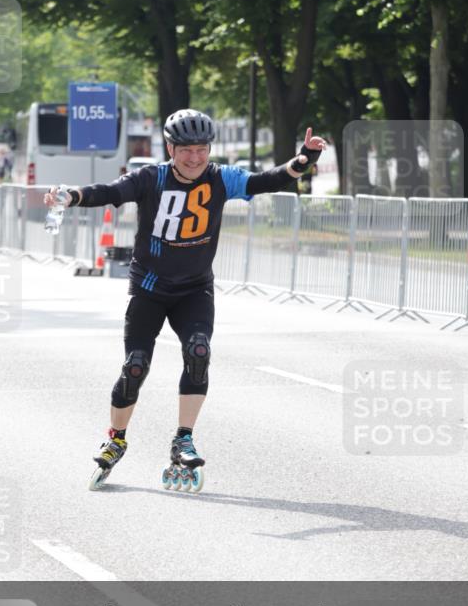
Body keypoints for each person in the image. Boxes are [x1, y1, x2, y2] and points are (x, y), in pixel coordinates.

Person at [43, 109, 326, 492]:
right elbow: (112, 192)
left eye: (202, 149)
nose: (195, 158)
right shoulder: (151, 178)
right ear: (171, 148)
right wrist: (73, 195)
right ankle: (116, 439)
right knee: (136, 366)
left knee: (198, 351)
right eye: (187, 150)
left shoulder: (221, 178)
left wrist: (305, 158)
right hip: (149, 289)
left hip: (194, 289)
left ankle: (183, 438)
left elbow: (267, 181)